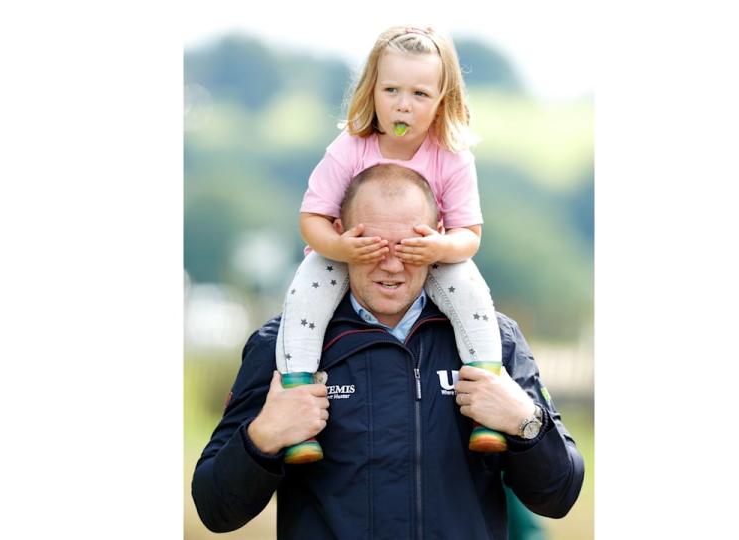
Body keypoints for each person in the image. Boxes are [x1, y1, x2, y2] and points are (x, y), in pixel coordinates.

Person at [192, 164, 584, 539]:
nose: (393, 265)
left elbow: (559, 494)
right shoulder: (281, 346)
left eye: (410, 246)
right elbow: (216, 509)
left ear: (438, 239)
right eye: (372, 246)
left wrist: (525, 422)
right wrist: (263, 437)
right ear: (340, 236)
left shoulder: (496, 340)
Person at [277, 24, 506, 462]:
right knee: (303, 297)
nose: (404, 105)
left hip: (426, 257)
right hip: (348, 254)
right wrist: (340, 247)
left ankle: (485, 400)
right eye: (392, 90)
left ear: (443, 100)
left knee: (474, 293)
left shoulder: (451, 157)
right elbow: (311, 218)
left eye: (420, 94)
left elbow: (468, 235)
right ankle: (297, 404)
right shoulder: (349, 148)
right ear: (372, 92)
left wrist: (441, 249)